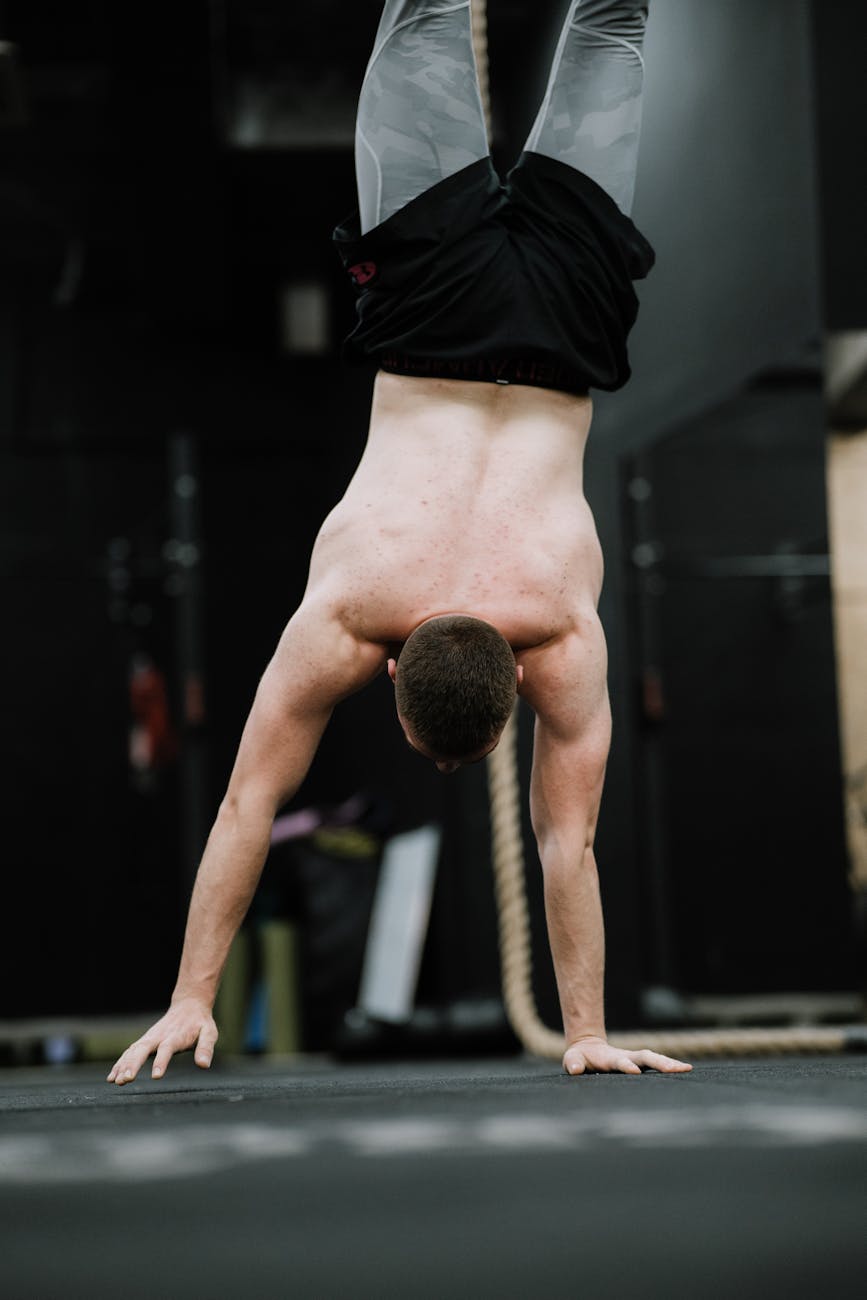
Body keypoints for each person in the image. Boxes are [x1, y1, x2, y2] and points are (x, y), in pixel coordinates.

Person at [108, 0, 691, 1085]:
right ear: (389, 672)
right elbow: (247, 806)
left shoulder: (560, 634)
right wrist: (189, 998)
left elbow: (569, 847)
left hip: (570, 323)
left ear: (510, 679)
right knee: (424, 9)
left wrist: (587, 1034)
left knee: (613, 22)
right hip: (429, 303)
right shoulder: (349, 613)